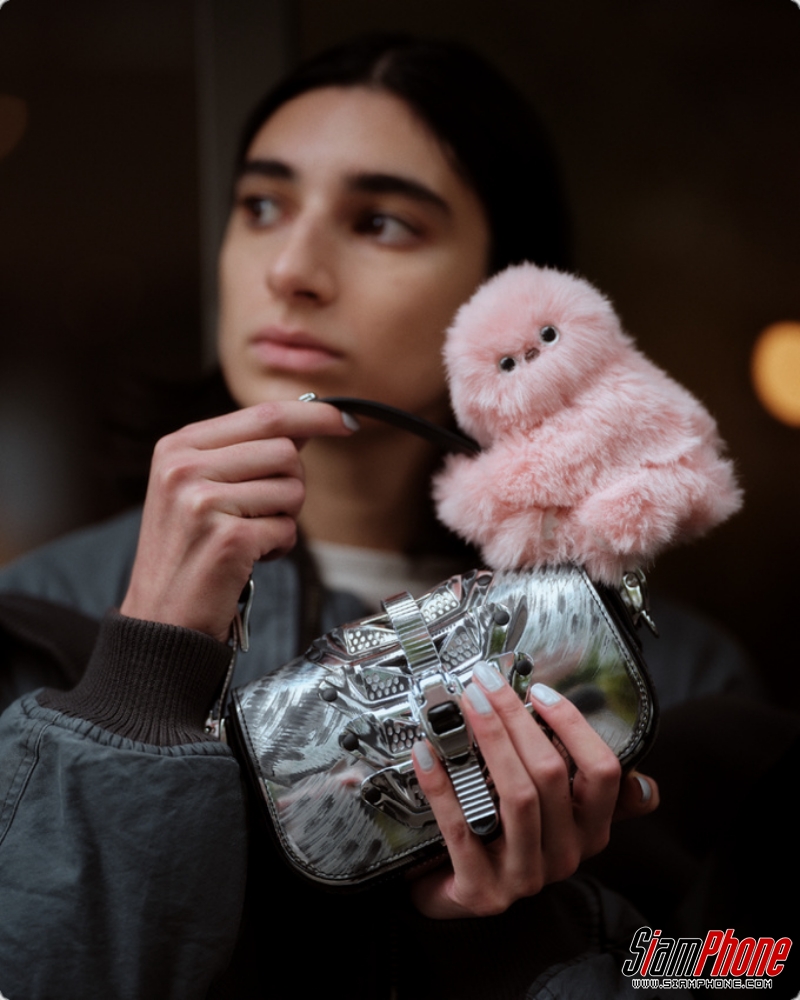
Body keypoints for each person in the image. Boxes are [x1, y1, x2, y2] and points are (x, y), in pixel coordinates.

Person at [0, 34, 754, 999]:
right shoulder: (41, 623)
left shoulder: (678, 682)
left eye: (382, 222)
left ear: (511, 298)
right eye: (262, 206)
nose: (291, 269)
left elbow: (744, 970)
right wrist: (147, 668)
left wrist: (534, 935)